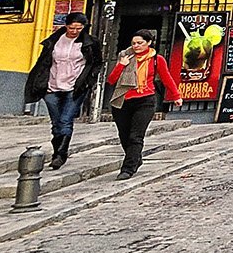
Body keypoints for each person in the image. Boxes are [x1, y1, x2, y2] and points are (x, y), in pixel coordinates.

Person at [24, 14, 105, 170]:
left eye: (79, 28)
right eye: (71, 27)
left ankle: (61, 154)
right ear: (66, 26)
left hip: (75, 87)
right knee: (56, 123)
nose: (74, 31)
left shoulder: (90, 42)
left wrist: (89, 81)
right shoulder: (54, 40)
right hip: (51, 86)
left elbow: (97, 63)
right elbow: (43, 62)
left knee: (65, 120)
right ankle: (57, 152)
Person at [103, 30, 181, 180]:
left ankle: (128, 168)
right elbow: (111, 80)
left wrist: (176, 95)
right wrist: (121, 65)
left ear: (149, 43)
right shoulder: (125, 56)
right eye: (134, 43)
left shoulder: (157, 59)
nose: (136, 46)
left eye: (140, 43)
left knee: (135, 136)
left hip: (145, 100)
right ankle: (136, 158)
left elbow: (166, 78)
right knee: (124, 136)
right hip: (122, 100)